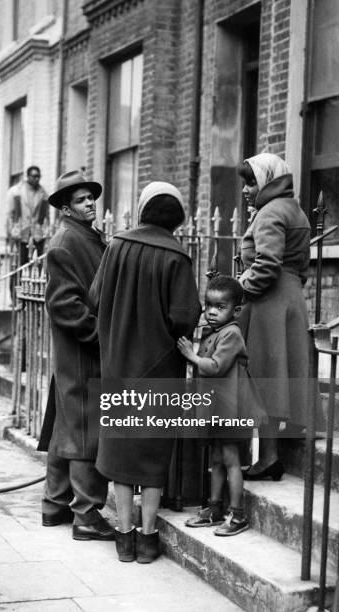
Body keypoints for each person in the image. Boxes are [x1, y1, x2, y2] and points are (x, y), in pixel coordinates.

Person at [90, 182, 201, 563]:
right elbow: (184, 317)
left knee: (121, 448)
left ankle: (123, 537)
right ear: (178, 217)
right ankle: (148, 538)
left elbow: (94, 298)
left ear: (143, 209)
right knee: (153, 451)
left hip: (119, 362)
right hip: (159, 368)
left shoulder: (117, 246)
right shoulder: (178, 258)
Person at [37, 170, 114, 541]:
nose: (90, 204)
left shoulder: (85, 237)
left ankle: (54, 503)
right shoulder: (66, 242)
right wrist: (99, 334)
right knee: (87, 422)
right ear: (66, 208)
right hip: (83, 348)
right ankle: (86, 513)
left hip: (79, 349)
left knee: (67, 421)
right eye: (82, 200)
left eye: (91, 198)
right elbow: (63, 304)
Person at [236, 152, 311, 480]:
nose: (245, 190)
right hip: (291, 299)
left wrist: (240, 288)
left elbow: (266, 265)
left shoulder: (269, 213)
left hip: (268, 302)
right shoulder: (297, 211)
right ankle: (270, 455)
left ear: (268, 181)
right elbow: (303, 267)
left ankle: (266, 458)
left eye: (251, 182)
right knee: (278, 377)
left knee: (262, 380)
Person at [177, 275, 267, 536]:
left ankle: (237, 515)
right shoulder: (215, 332)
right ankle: (215, 508)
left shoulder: (232, 334)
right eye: (209, 306)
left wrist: (191, 356)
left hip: (232, 410)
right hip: (217, 409)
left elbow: (216, 367)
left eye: (220, 307)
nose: (212, 312)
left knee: (230, 460)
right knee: (216, 458)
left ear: (236, 310)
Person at [6, 166, 49, 265]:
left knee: (37, 265)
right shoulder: (16, 191)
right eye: (34, 176)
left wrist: (45, 230)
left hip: (37, 235)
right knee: (19, 264)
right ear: (28, 176)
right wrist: (12, 230)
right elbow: (10, 214)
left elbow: (47, 216)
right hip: (21, 234)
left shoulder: (44, 194)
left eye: (38, 176)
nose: (37, 179)